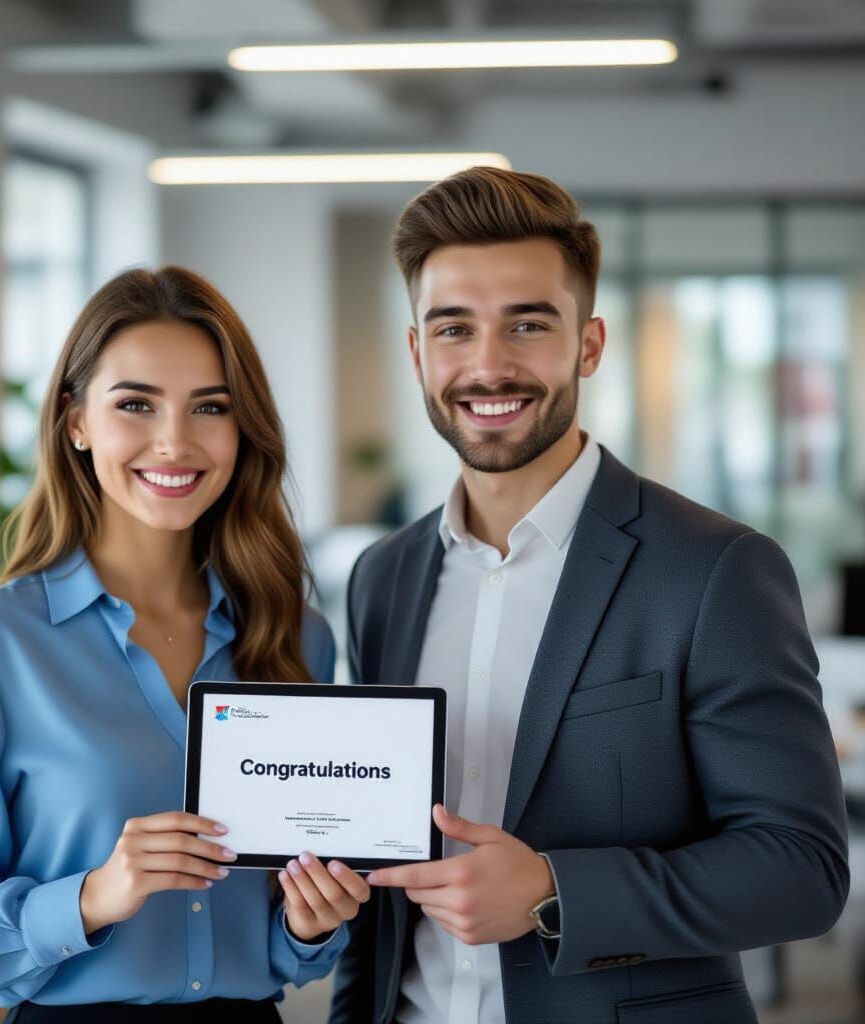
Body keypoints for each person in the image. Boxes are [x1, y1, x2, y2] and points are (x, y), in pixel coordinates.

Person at [329, 168, 848, 1024]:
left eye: (528, 324)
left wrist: (550, 890)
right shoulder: (383, 576)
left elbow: (801, 869)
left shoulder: (714, 569)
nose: (488, 364)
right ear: (418, 352)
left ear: (590, 344)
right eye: (453, 328)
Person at [0, 266, 370, 1023]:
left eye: (209, 407)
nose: (174, 442)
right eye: (136, 405)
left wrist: (310, 922)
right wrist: (92, 895)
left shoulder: (296, 639)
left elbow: (285, 946)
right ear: (76, 422)